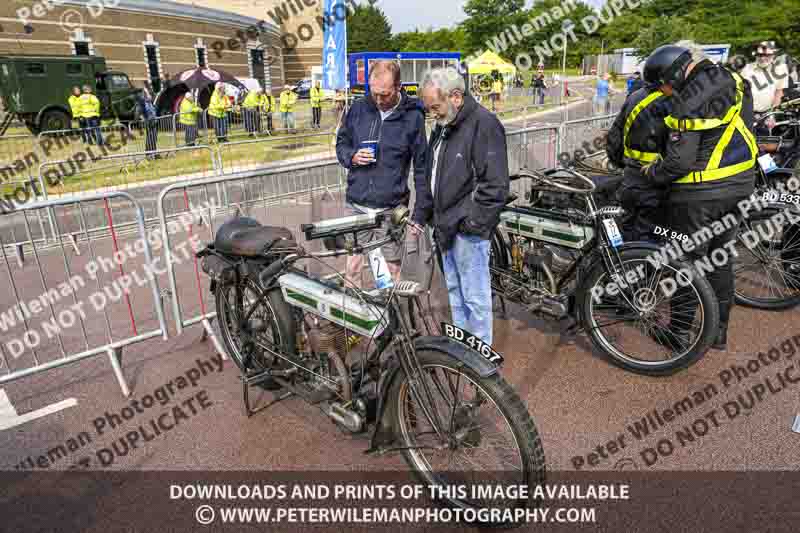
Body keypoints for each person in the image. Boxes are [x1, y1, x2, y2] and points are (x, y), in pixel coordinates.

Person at [641, 42, 758, 351]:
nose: (664, 92)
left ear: (676, 75)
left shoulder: (687, 102)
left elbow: (679, 162)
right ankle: (718, 332)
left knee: (685, 263)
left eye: (663, 86)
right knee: (720, 259)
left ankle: (678, 332)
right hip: (741, 185)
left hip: (699, 194)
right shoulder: (733, 80)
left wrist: (652, 174)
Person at [417, 66, 509, 345]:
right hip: (446, 225)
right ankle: (464, 347)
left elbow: (495, 185)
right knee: (456, 293)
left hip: (466, 229)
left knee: (475, 298)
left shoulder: (484, 123)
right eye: (429, 108)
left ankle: (481, 362)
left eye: (436, 106)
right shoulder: (445, 124)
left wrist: (472, 224)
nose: (433, 113)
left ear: (455, 96)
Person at [335, 60, 428, 288]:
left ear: (398, 87)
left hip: (391, 208)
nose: (377, 100)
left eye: (384, 95)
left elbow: (422, 168)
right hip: (357, 203)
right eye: (373, 93)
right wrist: (352, 157)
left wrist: (420, 213)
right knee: (353, 267)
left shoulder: (413, 117)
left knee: (390, 270)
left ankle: (390, 318)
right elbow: (342, 143)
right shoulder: (358, 108)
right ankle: (355, 317)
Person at [606, 81, 673, 241]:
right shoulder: (676, 100)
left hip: (630, 178)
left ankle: (623, 262)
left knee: (626, 229)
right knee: (652, 235)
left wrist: (624, 165)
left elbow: (614, 138)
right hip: (658, 183)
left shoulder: (635, 97)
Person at [741, 41, 788, 118]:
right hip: (746, 114)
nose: (763, 58)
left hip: (767, 114)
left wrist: (772, 115)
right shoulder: (746, 69)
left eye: (766, 55)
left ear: (773, 55)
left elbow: (779, 93)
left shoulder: (781, 69)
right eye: (760, 55)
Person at [137, 88, 159, 158]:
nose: (150, 95)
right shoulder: (142, 103)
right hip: (149, 123)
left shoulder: (149, 102)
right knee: (150, 139)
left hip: (154, 122)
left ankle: (153, 153)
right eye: (148, 93)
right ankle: (149, 154)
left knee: (153, 138)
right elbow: (139, 113)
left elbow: (153, 111)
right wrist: (144, 119)